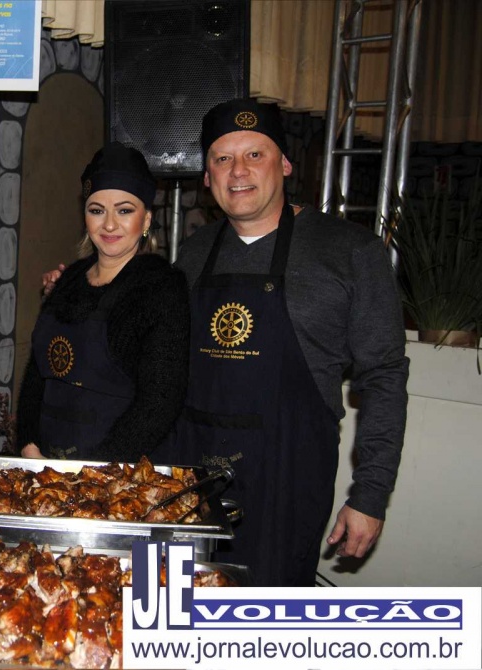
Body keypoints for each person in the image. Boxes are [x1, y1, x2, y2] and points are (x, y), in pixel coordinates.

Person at [165, 98, 409, 585]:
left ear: (286, 164)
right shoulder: (192, 254)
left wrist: (370, 494)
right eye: (223, 158)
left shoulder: (350, 251)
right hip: (186, 484)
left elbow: (384, 377)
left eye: (255, 154)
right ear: (208, 177)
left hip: (287, 487)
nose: (238, 171)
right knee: (174, 611)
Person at [16, 142, 190, 461]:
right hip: (45, 466)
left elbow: (160, 402)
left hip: (117, 474)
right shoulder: (68, 279)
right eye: (97, 210)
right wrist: (28, 445)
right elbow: (36, 375)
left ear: (146, 220)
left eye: (124, 210)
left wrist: (95, 474)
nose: (109, 224)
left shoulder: (161, 287)